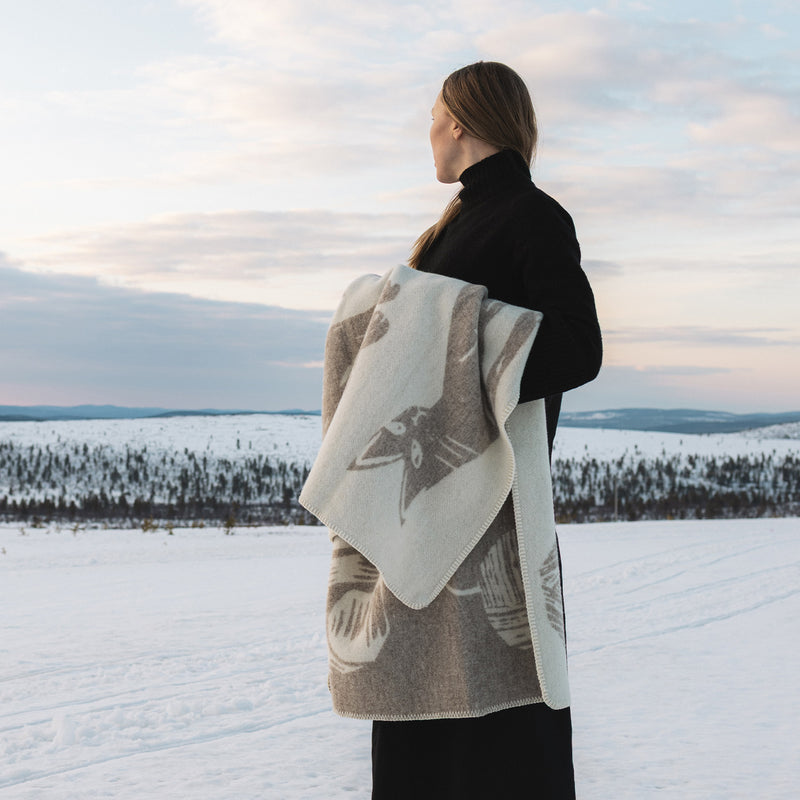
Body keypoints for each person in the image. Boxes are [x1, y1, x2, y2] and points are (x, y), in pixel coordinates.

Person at [368, 62, 602, 798]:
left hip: (495, 524)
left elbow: (576, 345)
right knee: (424, 724)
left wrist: (452, 379)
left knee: (502, 742)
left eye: (433, 116)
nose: (428, 133)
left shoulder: (532, 216)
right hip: (433, 523)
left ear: (460, 122)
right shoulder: (454, 227)